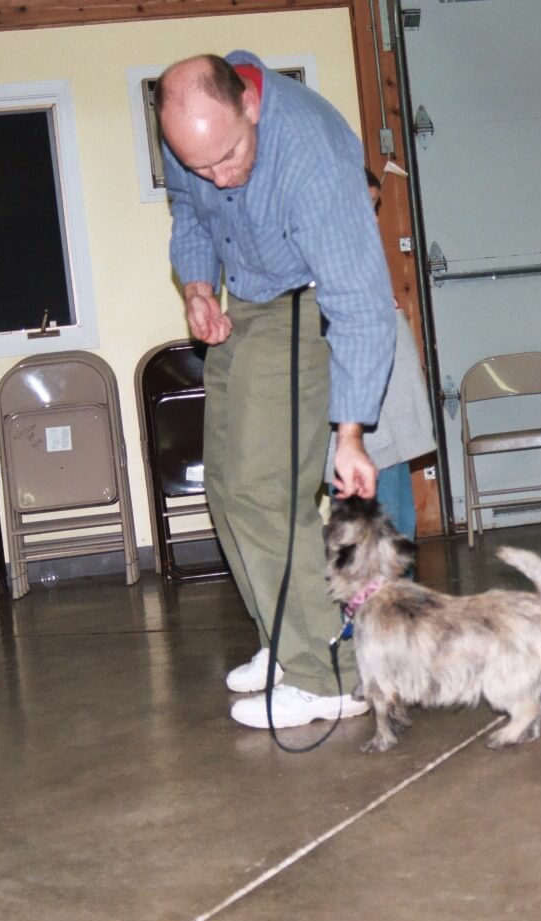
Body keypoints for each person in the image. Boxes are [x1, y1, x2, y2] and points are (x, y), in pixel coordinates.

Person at [157, 52, 396, 730]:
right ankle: (284, 638)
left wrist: (349, 433)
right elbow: (189, 209)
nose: (217, 175)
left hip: (306, 302)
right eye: (199, 163)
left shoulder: (311, 156)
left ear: (251, 107)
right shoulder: (193, 135)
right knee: (227, 488)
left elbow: (362, 303)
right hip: (246, 300)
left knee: (267, 492)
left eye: (227, 157)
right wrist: (199, 287)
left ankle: (330, 677)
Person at [323, 168, 438, 541]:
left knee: (400, 525)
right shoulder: (325, 260)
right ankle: (369, 600)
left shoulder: (359, 256)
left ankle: (395, 598)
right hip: (366, 429)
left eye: (376, 206)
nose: (374, 217)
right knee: (372, 533)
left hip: (390, 422)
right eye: (367, 206)